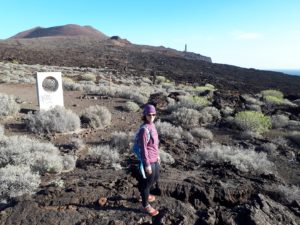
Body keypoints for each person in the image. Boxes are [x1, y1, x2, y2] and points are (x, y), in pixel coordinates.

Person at [137, 104, 160, 216]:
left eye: (153, 114)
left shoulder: (153, 126)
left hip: (155, 157)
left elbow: (155, 144)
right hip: (148, 160)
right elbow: (143, 148)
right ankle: (145, 205)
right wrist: (147, 164)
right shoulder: (144, 130)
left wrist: (158, 155)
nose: (151, 116)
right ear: (145, 115)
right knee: (147, 183)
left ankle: (144, 195)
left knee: (155, 178)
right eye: (149, 114)